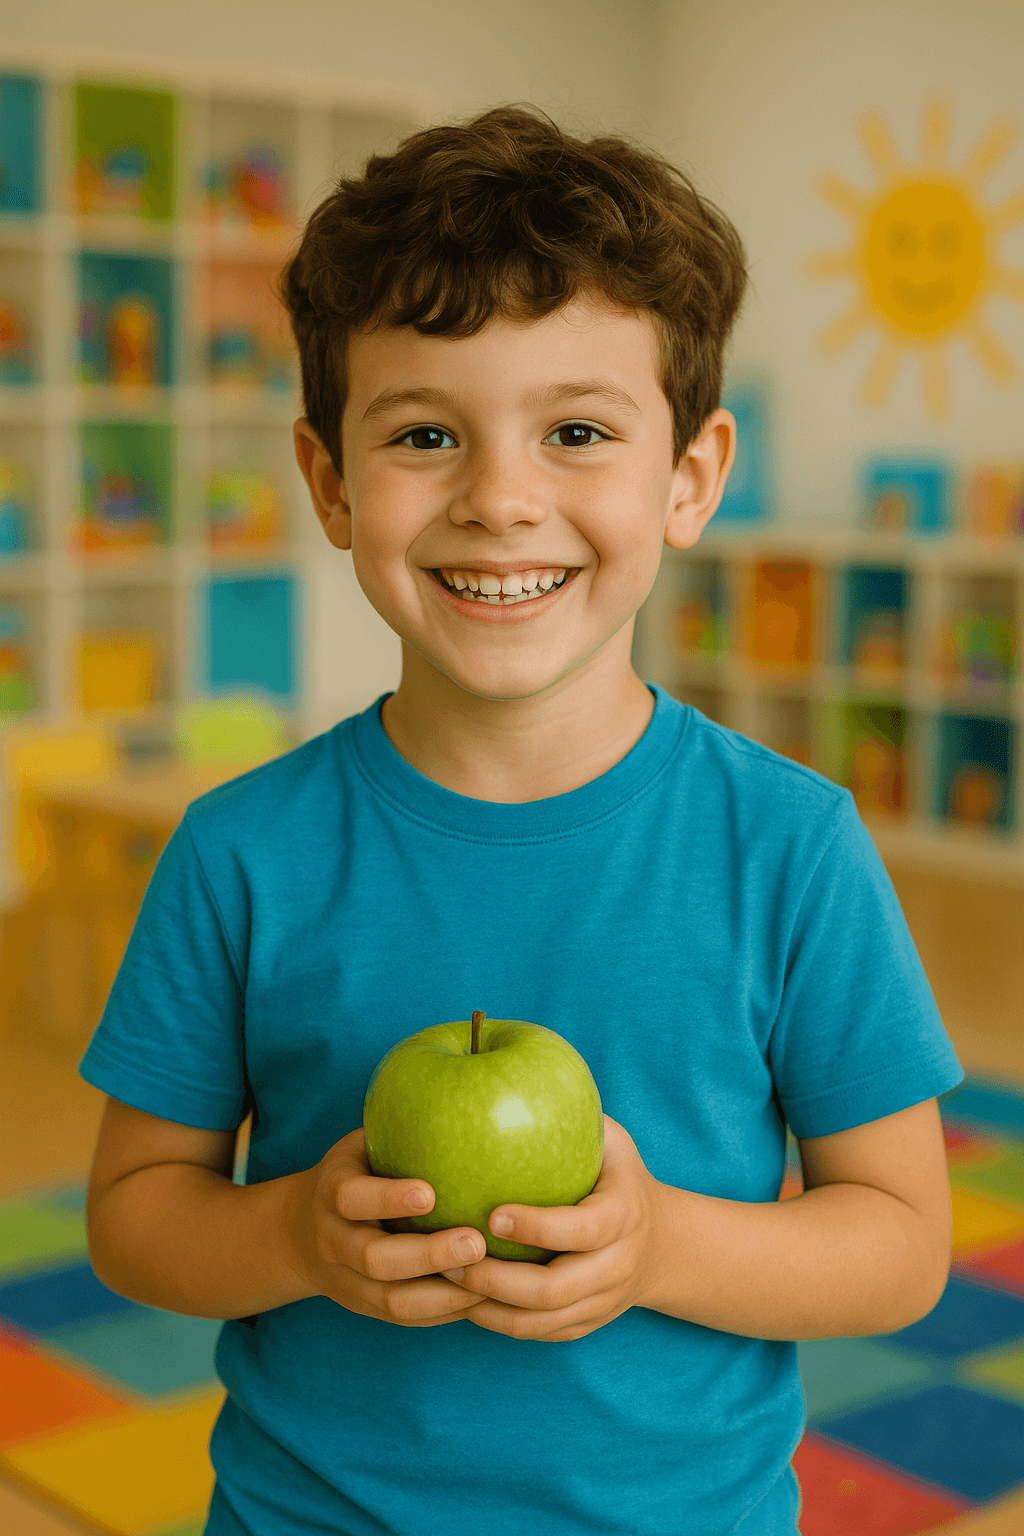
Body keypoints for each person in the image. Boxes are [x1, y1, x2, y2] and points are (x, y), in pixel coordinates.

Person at [80, 106, 963, 1536]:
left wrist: (658, 1246)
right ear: (331, 481)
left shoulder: (791, 849)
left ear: (689, 479)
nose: (500, 500)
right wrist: (294, 1232)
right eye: (426, 434)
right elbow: (134, 1215)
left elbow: (903, 1246)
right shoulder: (240, 852)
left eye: (577, 432)